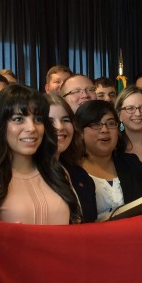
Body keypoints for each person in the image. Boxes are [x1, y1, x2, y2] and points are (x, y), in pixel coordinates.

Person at [0, 84, 80, 224]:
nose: (31, 128)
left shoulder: (57, 172)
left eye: (38, 119)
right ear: (0, 124)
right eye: (18, 119)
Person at [77, 99, 142, 220]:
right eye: (96, 124)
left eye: (111, 123)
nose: (104, 130)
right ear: (80, 132)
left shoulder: (132, 164)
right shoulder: (71, 171)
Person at [46, 93, 97, 222]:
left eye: (65, 120)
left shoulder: (80, 175)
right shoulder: (28, 175)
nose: (60, 127)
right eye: (50, 122)